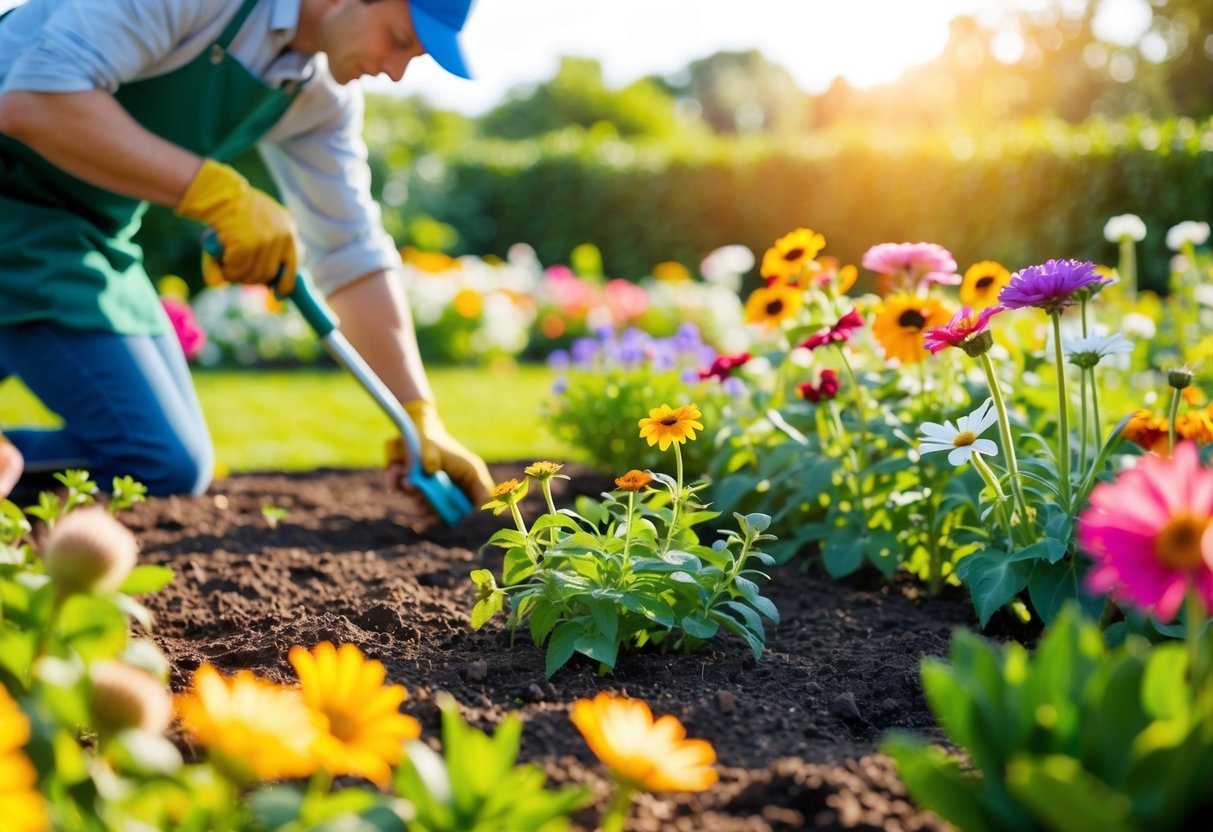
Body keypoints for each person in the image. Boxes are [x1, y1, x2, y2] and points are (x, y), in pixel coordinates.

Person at [0, 0, 495, 508]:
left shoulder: (319, 94)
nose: (395, 72)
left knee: (173, 465)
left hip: (86, 233)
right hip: (12, 206)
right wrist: (219, 195)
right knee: (153, 460)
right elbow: (34, 100)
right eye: (398, 40)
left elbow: (350, 247)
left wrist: (417, 412)